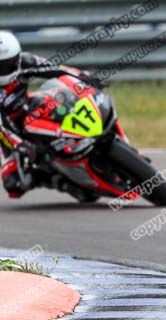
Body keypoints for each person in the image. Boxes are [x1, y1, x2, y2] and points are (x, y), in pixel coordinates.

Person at [0, 30, 100, 199]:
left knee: (68, 103)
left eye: (8, 64)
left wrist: (83, 77)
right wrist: (19, 144)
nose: (4, 70)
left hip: (30, 107)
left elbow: (57, 69)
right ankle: (60, 181)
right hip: (8, 134)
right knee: (14, 184)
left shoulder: (27, 61)